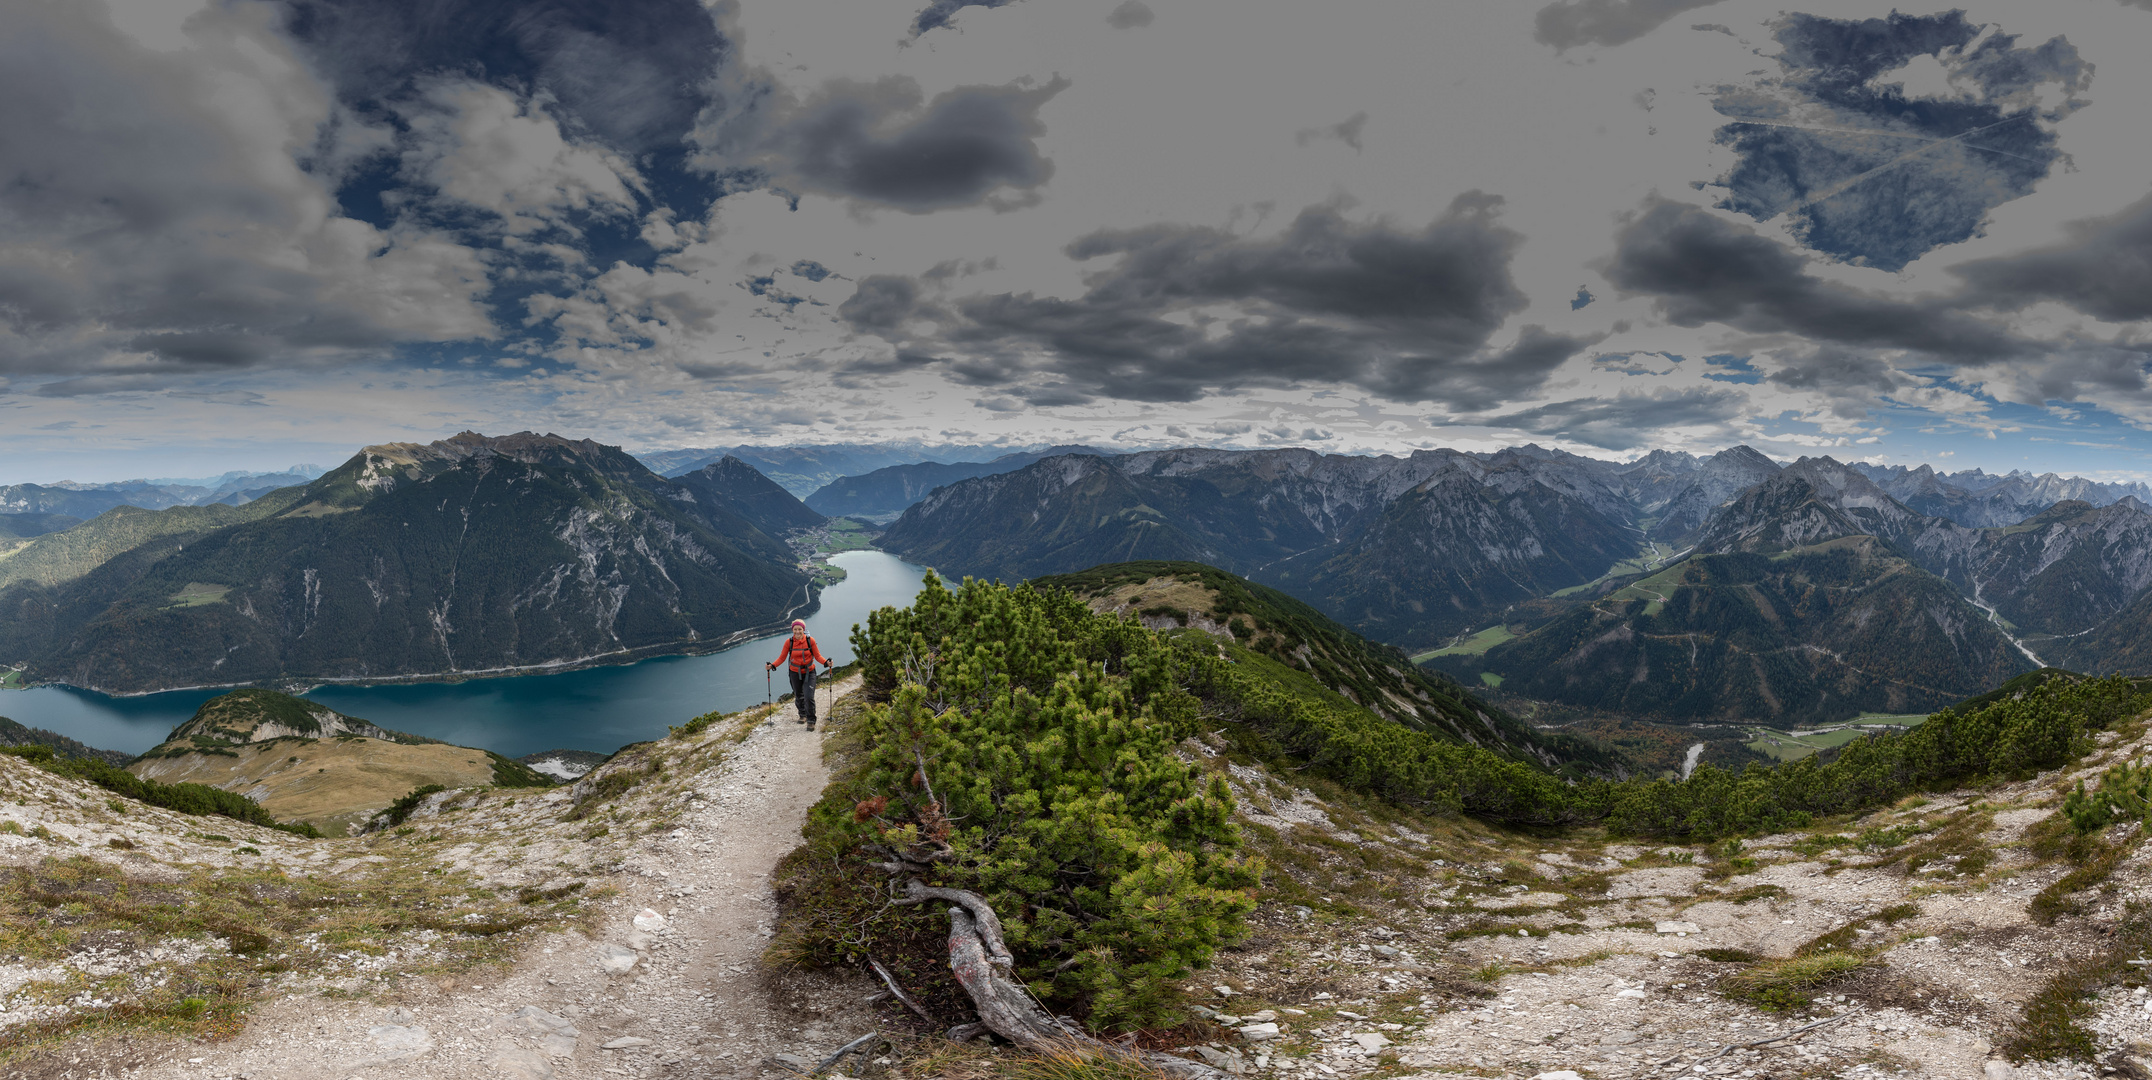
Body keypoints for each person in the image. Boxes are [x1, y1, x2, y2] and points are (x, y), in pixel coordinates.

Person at [767, 619, 834, 730]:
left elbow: (817, 656)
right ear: (792, 630)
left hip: (809, 672)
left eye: (800, 629)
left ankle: (811, 720)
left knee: (809, 696)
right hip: (794, 672)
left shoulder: (810, 641)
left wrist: (826, 663)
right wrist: (772, 666)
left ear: (803, 629)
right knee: (799, 695)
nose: (797, 632)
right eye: (795, 629)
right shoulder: (789, 642)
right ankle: (802, 715)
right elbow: (782, 658)